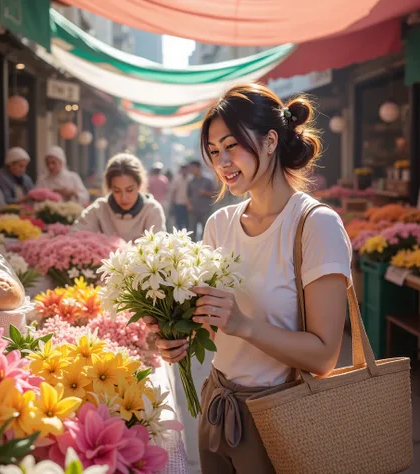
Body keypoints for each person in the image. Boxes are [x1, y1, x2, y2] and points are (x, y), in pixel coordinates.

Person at [146, 83, 352, 473]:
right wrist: (174, 335)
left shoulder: (315, 225)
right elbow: (211, 321)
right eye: (212, 151)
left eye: (231, 145)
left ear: (270, 140)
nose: (222, 161)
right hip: (218, 407)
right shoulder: (219, 224)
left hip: (281, 415)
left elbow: (325, 356)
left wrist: (244, 324)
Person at [74, 153, 166, 242]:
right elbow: (75, 235)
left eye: (129, 190)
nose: (124, 198)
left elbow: (157, 248)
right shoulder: (99, 209)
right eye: (117, 191)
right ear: (110, 188)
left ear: (139, 185)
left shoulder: (152, 210)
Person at [187, 160, 215, 241]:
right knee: (192, 230)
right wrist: (189, 205)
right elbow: (188, 195)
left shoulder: (208, 180)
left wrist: (205, 193)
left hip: (205, 210)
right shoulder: (191, 181)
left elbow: (214, 194)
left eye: (193, 168)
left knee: (206, 230)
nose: (191, 170)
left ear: (198, 168)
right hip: (193, 210)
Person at [168, 164, 190, 231]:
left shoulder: (190, 179)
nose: (184, 171)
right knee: (179, 222)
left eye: (185, 170)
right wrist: (172, 204)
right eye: (183, 169)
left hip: (188, 205)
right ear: (181, 170)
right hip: (178, 203)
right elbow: (173, 192)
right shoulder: (176, 179)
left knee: (187, 222)